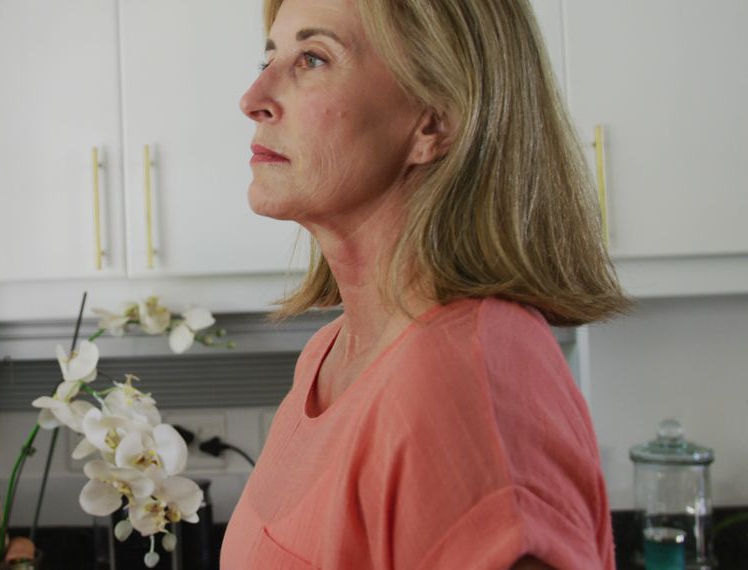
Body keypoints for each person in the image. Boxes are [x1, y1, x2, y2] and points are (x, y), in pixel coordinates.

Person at [220, 0, 630, 568]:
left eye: (313, 58)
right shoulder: (329, 355)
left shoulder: (467, 376)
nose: (253, 99)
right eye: (269, 57)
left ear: (433, 121)